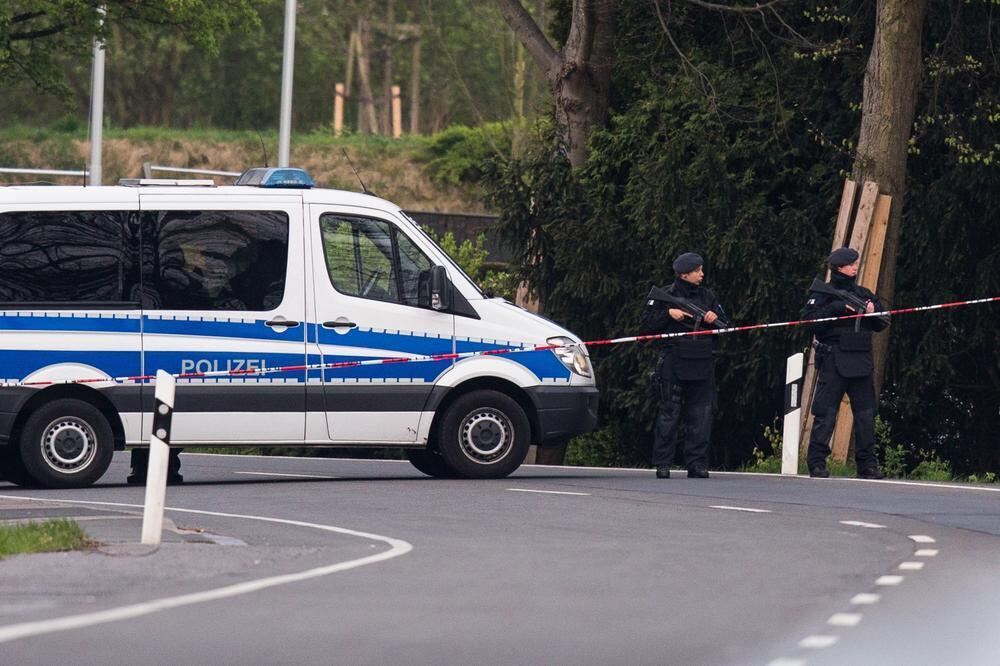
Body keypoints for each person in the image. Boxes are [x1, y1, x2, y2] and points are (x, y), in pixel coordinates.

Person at [640, 252, 729, 479]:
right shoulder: (664, 296)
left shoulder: (707, 296)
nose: (702, 274)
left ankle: (697, 463)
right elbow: (646, 324)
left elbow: (725, 326)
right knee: (669, 413)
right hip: (673, 361)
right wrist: (669, 314)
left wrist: (712, 318)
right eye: (697, 270)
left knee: (701, 415)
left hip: (702, 362)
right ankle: (663, 463)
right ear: (684, 274)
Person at [804, 247, 889, 479]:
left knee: (865, 415)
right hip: (834, 358)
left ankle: (867, 465)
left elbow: (883, 322)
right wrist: (836, 309)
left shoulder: (864, 293)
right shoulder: (824, 294)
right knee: (826, 413)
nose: (854, 268)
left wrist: (873, 311)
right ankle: (817, 463)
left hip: (861, 359)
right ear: (840, 268)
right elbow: (810, 322)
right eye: (851, 265)